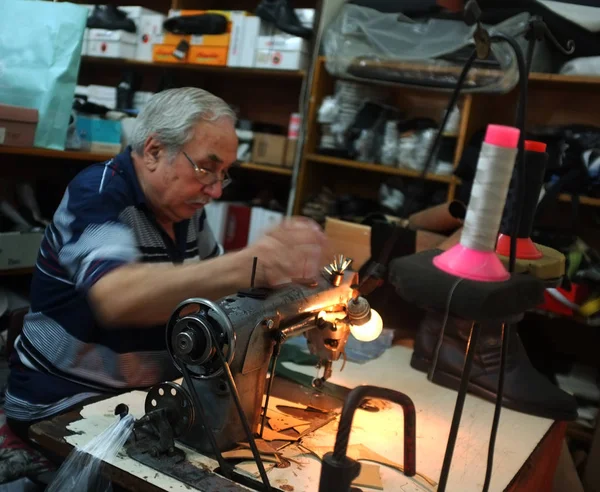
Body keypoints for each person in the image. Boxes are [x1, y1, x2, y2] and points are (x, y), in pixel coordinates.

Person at [5, 87, 327, 440]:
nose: (216, 190)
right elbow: (116, 297)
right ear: (155, 150)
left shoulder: (185, 210)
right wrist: (250, 265)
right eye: (207, 168)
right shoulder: (97, 195)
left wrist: (307, 303)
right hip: (63, 406)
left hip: (140, 401)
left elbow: (221, 299)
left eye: (224, 174)